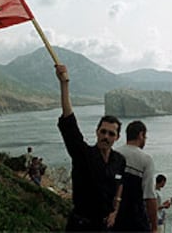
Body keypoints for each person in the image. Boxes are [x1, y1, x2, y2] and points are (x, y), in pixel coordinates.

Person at [55, 64, 126, 232]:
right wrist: (64, 85)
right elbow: (70, 123)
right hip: (81, 226)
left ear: (117, 137)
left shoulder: (119, 160)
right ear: (97, 132)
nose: (106, 136)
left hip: (105, 226)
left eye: (110, 133)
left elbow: (120, 185)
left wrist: (115, 211)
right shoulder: (83, 155)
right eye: (103, 132)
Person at [114, 120, 158, 232]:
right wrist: (154, 227)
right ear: (140, 135)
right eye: (145, 137)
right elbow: (150, 196)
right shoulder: (146, 159)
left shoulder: (114, 154)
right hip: (135, 218)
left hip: (113, 217)